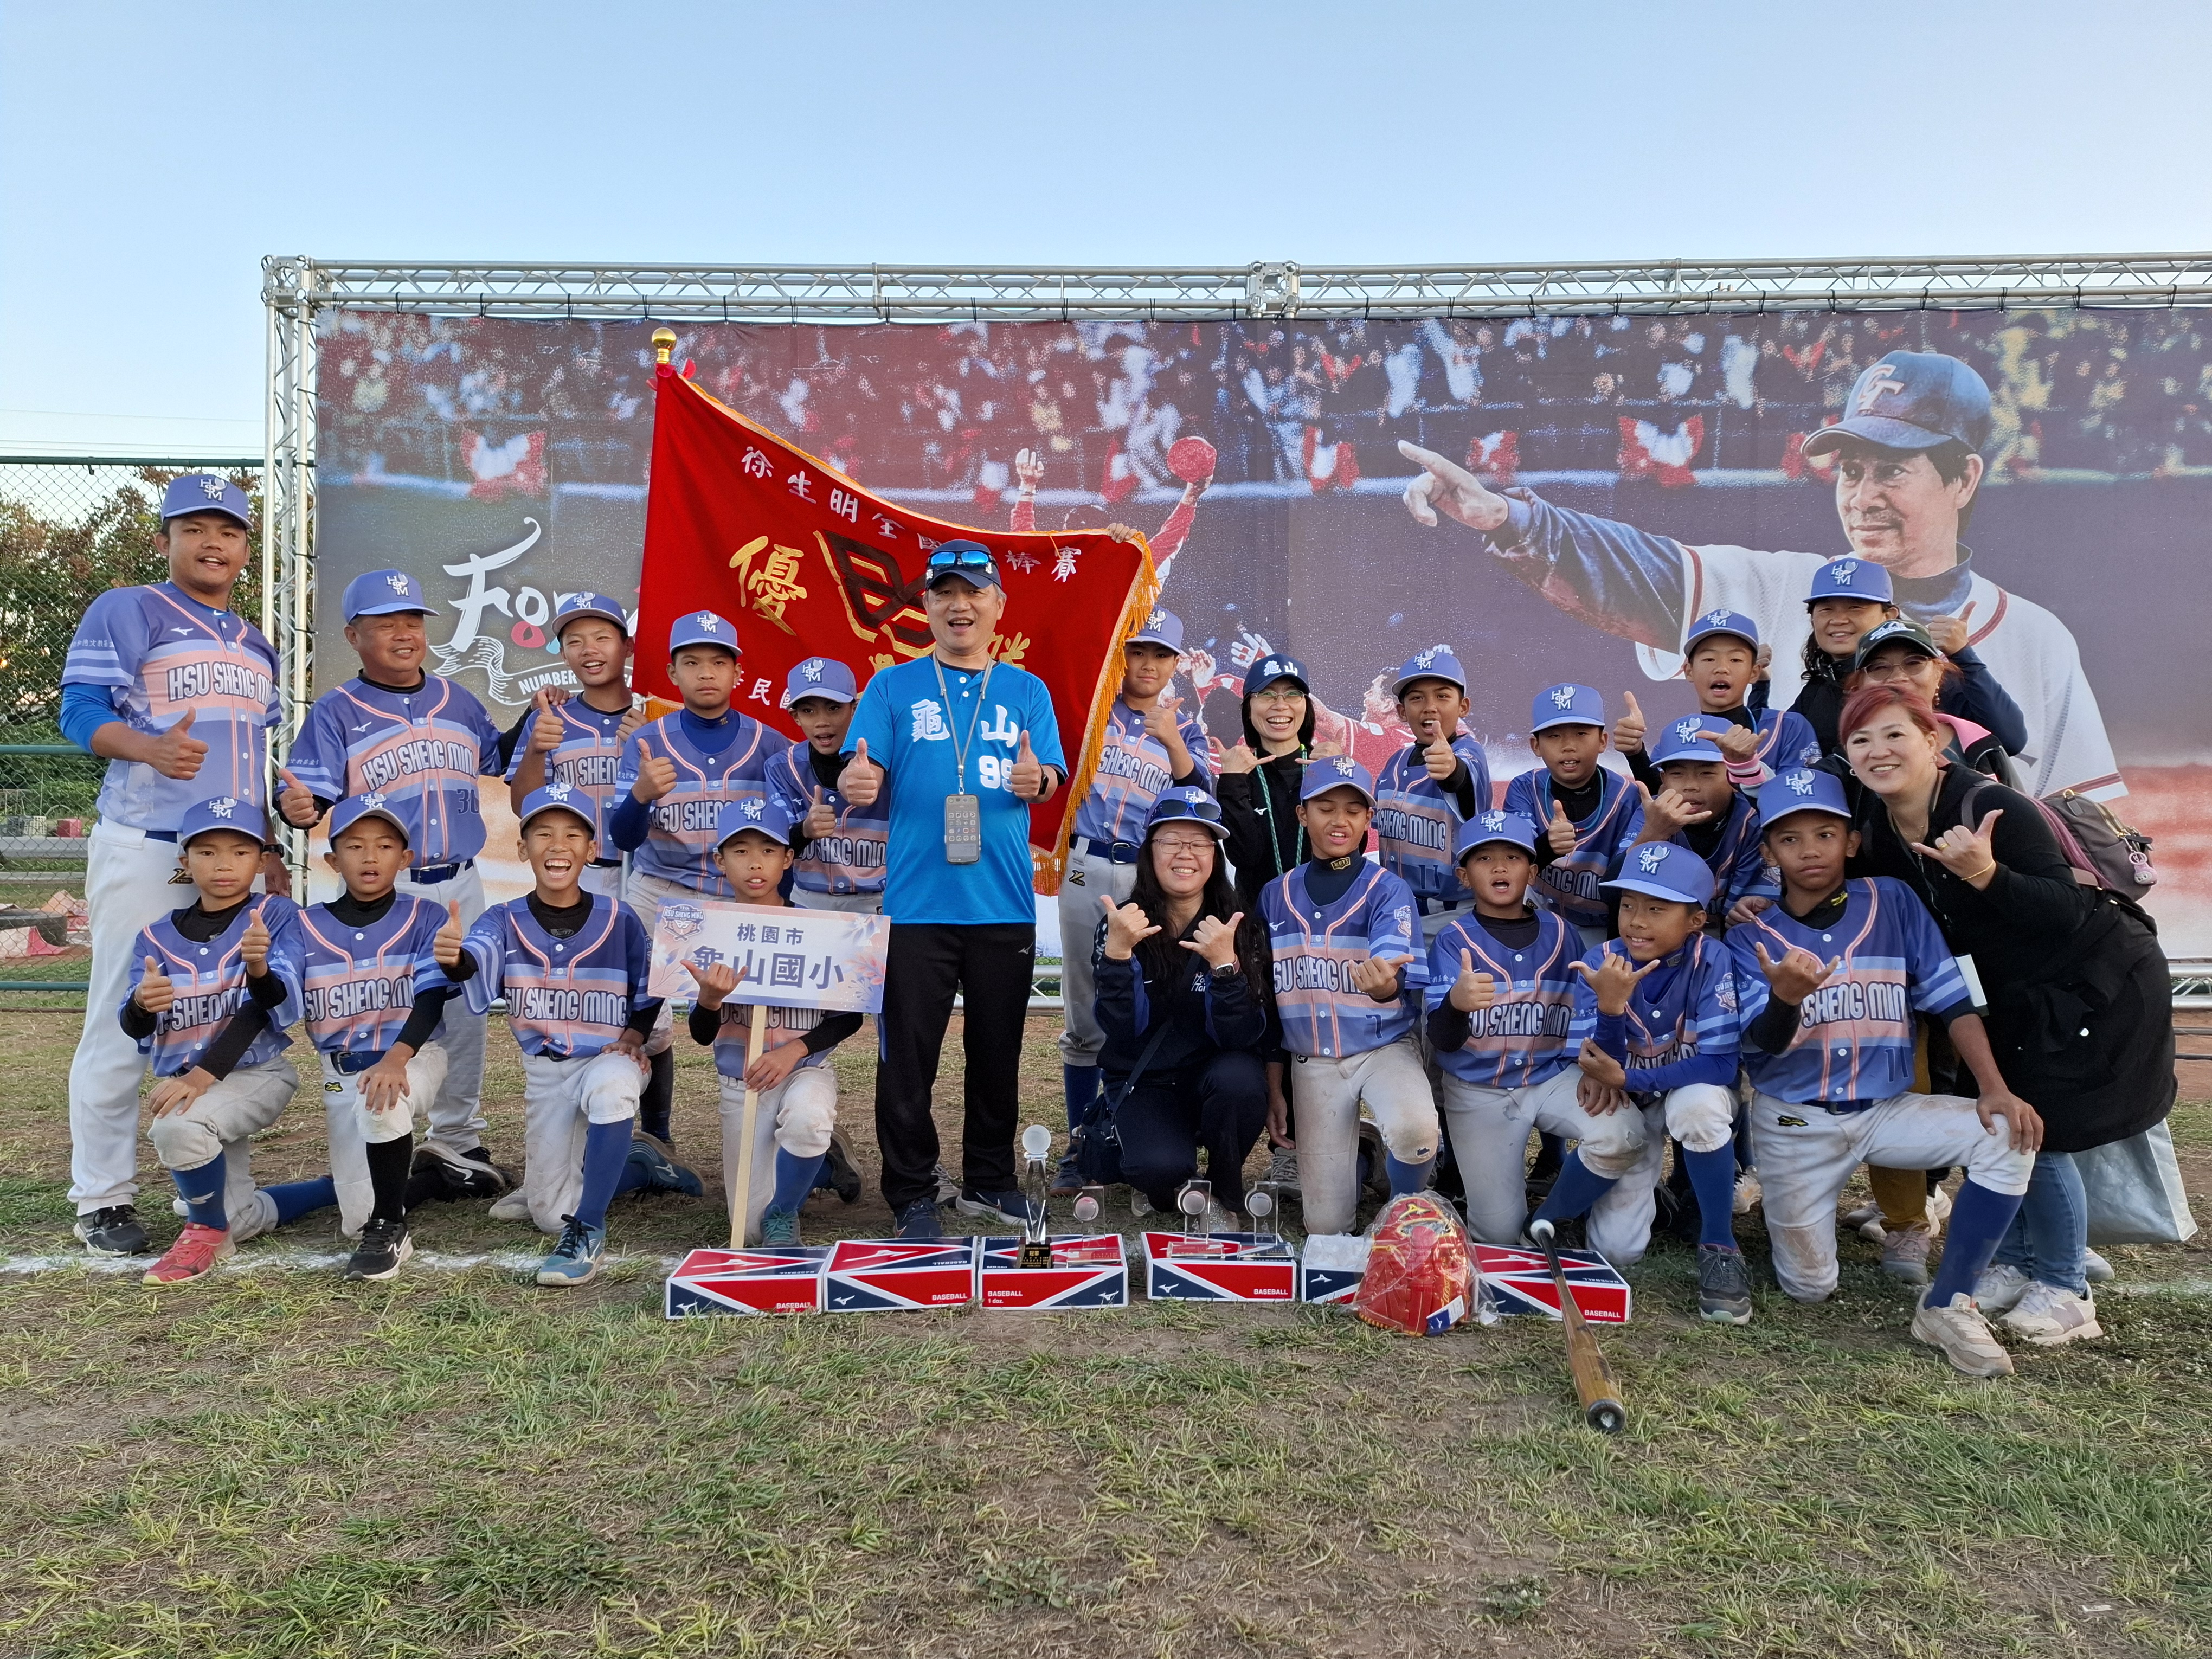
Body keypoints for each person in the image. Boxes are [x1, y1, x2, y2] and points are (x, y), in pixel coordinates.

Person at [1399, 350, 2126, 800]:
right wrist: (1509, 519)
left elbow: (2082, 817)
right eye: (1852, 469)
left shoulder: (2036, 637)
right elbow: (1633, 568)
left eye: (1894, 469)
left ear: (1963, 479)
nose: (1864, 496)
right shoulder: (1789, 588)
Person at [1841, 683, 2175, 1348]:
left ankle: (2066, 1287)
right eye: (1860, 740)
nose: (1878, 751)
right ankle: (2019, 1259)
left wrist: (1986, 874)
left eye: (1894, 734)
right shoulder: (1880, 829)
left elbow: (2063, 911)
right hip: (2008, 992)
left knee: (2034, 1128)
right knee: (1998, 1117)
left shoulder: (1989, 804)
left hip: (2091, 979)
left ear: (1933, 742)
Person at [1731, 765, 2042, 1375]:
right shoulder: (1750, 935)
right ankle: (1795, 1218)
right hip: (1796, 1123)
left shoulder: (1891, 900)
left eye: (1824, 834)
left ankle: (1949, 1301)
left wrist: (1997, 1089)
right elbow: (1760, 1052)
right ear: (1769, 852)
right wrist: (1786, 999)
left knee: (2008, 1132)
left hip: (1886, 1113)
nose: (1809, 850)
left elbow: (1952, 998)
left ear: (1850, 841)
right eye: (1790, 839)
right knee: (1810, 1287)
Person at [59, 474, 281, 1257]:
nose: (212, 542)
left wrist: (271, 852)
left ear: (247, 549)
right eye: (193, 527)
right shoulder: (129, 607)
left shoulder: (258, 642)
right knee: (129, 1020)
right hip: (150, 845)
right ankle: (102, 1198)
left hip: (231, 855)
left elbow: (250, 759)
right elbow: (80, 708)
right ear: (164, 539)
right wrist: (148, 745)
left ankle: (217, 1191)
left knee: (218, 1017)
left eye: (228, 529)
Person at [838, 539, 1066, 1238]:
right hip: (915, 906)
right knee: (908, 1057)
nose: (958, 605)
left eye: (973, 593)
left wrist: (1040, 782)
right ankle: (911, 1191)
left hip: (1002, 905)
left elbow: (1050, 775)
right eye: (944, 593)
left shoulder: (1027, 692)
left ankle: (990, 1182)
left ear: (998, 605)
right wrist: (856, 781)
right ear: (928, 607)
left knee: (996, 1052)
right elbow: (858, 768)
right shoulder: (892, 688)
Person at [279, 568, 511, 1203]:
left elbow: (500, 758)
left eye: (412, 621)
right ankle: (386, 1127)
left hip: (461, 882)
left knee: (466, 1015)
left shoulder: (459, 700)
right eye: (385, 624)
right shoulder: (335, 712)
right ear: (354, 635)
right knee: (392, 1013)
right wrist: (297, 810)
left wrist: (539, 729)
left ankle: (460, 1140)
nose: (404, 634)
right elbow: (306, 797)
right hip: (391, 891)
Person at [435, 784, 694, 1287]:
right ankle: (640, 1166)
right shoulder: (502, 919)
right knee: (547, 1212)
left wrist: (635, 1037)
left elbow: (650, 986)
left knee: (615, 1087)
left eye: (573, 834)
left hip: (609, 1057)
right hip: (547, 1069)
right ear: (521, 848)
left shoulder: (618, 917)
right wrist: (455, 958)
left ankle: (589, 1228)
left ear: (591, 850)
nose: (559, 844)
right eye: (543, 833)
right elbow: (477, 955)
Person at [1528, 843, 1749, 1322]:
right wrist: (1609, 1010)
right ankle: (1581, 1210)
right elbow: (1594, 1063)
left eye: (1657, 908)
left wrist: (1627, 1075)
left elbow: (1719, 1067)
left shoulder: (1713, 959)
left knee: (1699, 1109)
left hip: (1684, 1087)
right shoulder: (1602, 958)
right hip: (1632, 1099)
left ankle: (1720, 1244)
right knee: (1619, 1251)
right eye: (1628, 905)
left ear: (1695, 920)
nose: (1637, 921)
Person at [121, 798, 334, 1285]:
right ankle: (331, 1190)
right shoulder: (154, 936)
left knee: (178, 1128)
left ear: (261, 862)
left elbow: (266, 1006)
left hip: (256, 1074)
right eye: (208, 851)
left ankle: (203, 1232)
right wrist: (140, 1003)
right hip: (194, 1082)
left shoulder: (276, 914)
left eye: (240, 852)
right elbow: (133, 1027)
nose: (223, 864)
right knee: (241, 1218)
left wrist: (257, 968)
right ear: (184, 862)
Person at [1426, 811, 1644, 1245]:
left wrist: (1592, 1071)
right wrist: (1456, 1003)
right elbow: (1443, 1039)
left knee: (1624, 1133)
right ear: (1464, 876)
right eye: (1484, 859)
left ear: (1534, 870)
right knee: (1497, 1237)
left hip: (1551, 1078)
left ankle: (1550, 1217)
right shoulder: (1453, 940)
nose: (1501, 867)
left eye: (1513, 856)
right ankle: (1514, 1227)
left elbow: (1583, 1023)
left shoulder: (1563, 934)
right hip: (1478, 1090)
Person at [609, 609, 775, 1146]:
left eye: (718, 662)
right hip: (662, 886)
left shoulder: (770, 745)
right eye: (692, 662)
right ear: (673, 672)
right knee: (630, 1014)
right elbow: (623, 838)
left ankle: (790, 1135)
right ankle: (654, 1136)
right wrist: (639, 796)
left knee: (756, 1024)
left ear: (738, 673)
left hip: (737, 892)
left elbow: (785, 840)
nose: (706, 672)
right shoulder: (647, 742)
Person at [1056, 607, 1211, 1172]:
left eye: (1161, 654)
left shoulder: (1187, 727)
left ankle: (1125, 1128)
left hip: (1150, 875)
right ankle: (1081, 1140)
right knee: (1083, 1006)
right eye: (1138, 651)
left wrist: (1173, 742)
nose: (1148, 664)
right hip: (1087, 863)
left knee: (1140, 1000)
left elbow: (1201, 803)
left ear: (1176, 663)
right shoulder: (1094, 711)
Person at [1258, 757, 1438, 1238]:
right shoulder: (1275, 895)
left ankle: (1403, 1208)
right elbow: (1270, 1008)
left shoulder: (1388, 889)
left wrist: (1385, 986)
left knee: (1418, 1132)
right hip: (1311, 1061)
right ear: (1302, 816)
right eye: (1326, 808)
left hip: (1384, 1049)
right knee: (1325, 1226)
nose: (1340, 821)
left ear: (1368, 820)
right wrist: (1276, 1088)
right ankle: (1362, 1156)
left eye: (1354, 811)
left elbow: (1392, 976)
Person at [683, 799, 864, 1245]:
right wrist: (708, 999)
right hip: (741, 1080)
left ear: (788, 858)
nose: (755, 863)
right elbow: (702, 1035)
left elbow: (850, 1018)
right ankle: (822, 1165)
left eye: (768, 850)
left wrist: (794, 1049)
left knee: (807, 1121)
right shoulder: (710, 930)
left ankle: (788, 1204)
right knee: (745, 1228)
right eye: (740, 851)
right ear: (721, 861)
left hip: (804, 1069)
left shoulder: (819, 928)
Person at [291, 793, 457, 1281]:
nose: (369, 857)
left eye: (385, 846)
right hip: (341, 1068)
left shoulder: (426, 915)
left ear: (404, 859)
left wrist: (396, 1060)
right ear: (331, 860)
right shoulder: (305, 925)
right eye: (355, 846)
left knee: (381, 1103)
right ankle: (432, 1180)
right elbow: (272, 994)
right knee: (353, 1218)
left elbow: (431, 997)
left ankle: (392, 1226)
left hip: (414, 1055)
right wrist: (258, 967)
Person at [1092, 790, 1274, 1223]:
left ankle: (1227, 1185)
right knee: (1158, 1168)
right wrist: (1118, 956)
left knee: (1241, 1079)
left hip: (1210, 1078)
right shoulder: (1121, 922)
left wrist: (1226, 968)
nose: (1185, 854)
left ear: (1215, 855)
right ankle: (1162, 1173)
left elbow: (1241, 1036)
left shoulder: (1238, 924)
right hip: (1145, 1082)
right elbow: (1120, 1030)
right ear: (1150, 850)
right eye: (1172, 840)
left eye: (1200, 843)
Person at [1214, 650, 1317, 1197]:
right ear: (1249, 706)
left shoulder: (1324, 764)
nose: (1280, 708)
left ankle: (1303, 1149)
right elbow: (1248, 852)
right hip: (1258, 926)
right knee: (1264, 1036)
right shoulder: (1238, 769)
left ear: (1307, 705)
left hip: (1320, 928)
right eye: (1268, 696)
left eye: (1292, 696)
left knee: (1309, 1037)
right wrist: (1232, 783)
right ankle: (1265, 1151)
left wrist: (1331, 776)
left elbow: (1349, 845)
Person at [505, 593, 650, 901]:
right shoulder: (548, 718)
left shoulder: (654, 718)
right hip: (577, 872)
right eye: (574, 642)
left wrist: (653, 743)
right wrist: (536, 749)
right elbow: (523, 807)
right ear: (563, 655)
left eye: (602, 638)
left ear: (628, 646)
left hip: (647, 873)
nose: (589, 650)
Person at [1610, 608, 1818, 786]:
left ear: (1754, 672)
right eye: (1709, 659)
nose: (1722, 668)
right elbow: (1660, 797)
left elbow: (1795, 802)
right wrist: (1635, 753)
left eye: (1736, 659)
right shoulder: (1678, 735)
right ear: (1689, 671)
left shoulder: (1788, 727)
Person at [1501, 684, 1641, 950]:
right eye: (1554, 736)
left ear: (1603, 740)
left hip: (1601, 927)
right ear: (1535, 745)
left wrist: (1611, 954)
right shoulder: (1524, 787)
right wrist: (1547, 846)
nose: (1568, 746)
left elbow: (1625, 889)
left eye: (1581, 733)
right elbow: (1511, 868)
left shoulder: (1626, 797)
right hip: (1538, 916)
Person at [1371, 646, 1493, 941]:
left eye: (1442, 696)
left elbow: (1462, 779)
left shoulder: (1468, 752)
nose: (1430, 706)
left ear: (1463, 707)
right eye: (1416, 698)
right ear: (1401, 711)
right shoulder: (1394, 763)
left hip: (1452, 918)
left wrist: (1452, 769)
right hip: (1396, 913)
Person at [1624, 718, 1780, 928]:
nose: (1690, 786)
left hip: (1730, 937)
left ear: (1733, 778)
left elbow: (1740, 917)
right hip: (1658, 936)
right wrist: (1652, 835)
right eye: (1677, 773)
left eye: (1706, 773)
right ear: (1663, 780)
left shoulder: (1751, 819)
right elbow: (1613, 890)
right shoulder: (1651, 813)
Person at [764, 657, 888, 914]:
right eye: (809, 711)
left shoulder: (888, 762)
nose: (822, 721)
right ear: (795, 716)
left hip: (879, 902)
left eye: (833, 708)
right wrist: (805, 830)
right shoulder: (781, 767)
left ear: (854, 709)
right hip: (811, 902)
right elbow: (771, 849)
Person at [1848, 619, 2022, 782]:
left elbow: (2013, 740)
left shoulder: (1977, 742)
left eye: (1914, 663)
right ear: (1858, 686)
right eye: (1879, 668)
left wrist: (1964, 655)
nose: (1899, 677)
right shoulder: (1845, 761)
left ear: (1939, 674)